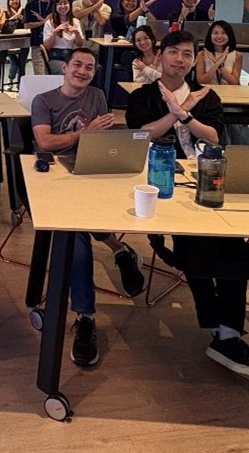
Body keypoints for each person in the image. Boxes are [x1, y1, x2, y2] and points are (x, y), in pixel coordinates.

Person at [126, 31, 249, 382]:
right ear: (160, 56)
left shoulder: (206, 95)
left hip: (205, 176)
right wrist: (176, 114)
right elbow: (141, 135)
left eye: (187, 54)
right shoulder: (144, 95)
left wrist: (187, 115)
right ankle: (224, 333)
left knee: (232, 243)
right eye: (174, 52)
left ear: (195, 60)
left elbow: (214, 136)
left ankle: (226, 332)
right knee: (198, 243)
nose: (180, 59)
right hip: (160, 179)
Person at [31, 47, 145, 367]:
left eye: (89, 67)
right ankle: (87, 313)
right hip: (53, 177)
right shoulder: (44, 101)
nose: (83, 71)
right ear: (64, 68)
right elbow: (44, 143)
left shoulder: (96, 96)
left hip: (90, 171)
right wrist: (84, 133)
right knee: (76, 233)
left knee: (81, 222)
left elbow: (101, 141)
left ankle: (115, 262)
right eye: (77, 65)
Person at [42, 0, 86, 74]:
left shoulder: (75, 21)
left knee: (92, 69)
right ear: (55, 6)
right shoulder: (49, 22)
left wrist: (76, 33)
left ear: (70, 5)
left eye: (65, 3)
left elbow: (80, 44)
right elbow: (47, 47)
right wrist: (55, 32)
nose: (63, 6)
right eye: (59, 4)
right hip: (56, 57)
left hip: (71, 56)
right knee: (66, 71)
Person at [23, 0, 57, 79]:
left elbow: (56, 24)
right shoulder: (31, 5)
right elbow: (26, 26)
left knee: (50, 74)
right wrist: (43, 21)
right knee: (40, 74)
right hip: (36, 43)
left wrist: (42, 20)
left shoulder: (54, 6)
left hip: (52, 45)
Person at [195, 21, 242, 86]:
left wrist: (217, 63)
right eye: (215, 33)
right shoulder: (202, 54)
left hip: (229, 92)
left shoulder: (237, 55)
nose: (219, 36)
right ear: (210, 35)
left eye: (223, 33)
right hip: (207, 91)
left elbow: (235, 83)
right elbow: (201, 81)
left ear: (229, 35)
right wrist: (216, 64)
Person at [1, 0, 27, 86]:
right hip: (9, 42)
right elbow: (6, 25)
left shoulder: (24, 11)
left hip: (23, 41)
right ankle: (11, 80)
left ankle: (20, 86)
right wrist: (17, 14)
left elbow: (26, 24)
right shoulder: (5, 12)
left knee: (22, 65)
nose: (15, 1)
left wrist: (20, 14)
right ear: (8, 2)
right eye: (12, 0)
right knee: (14, 63)